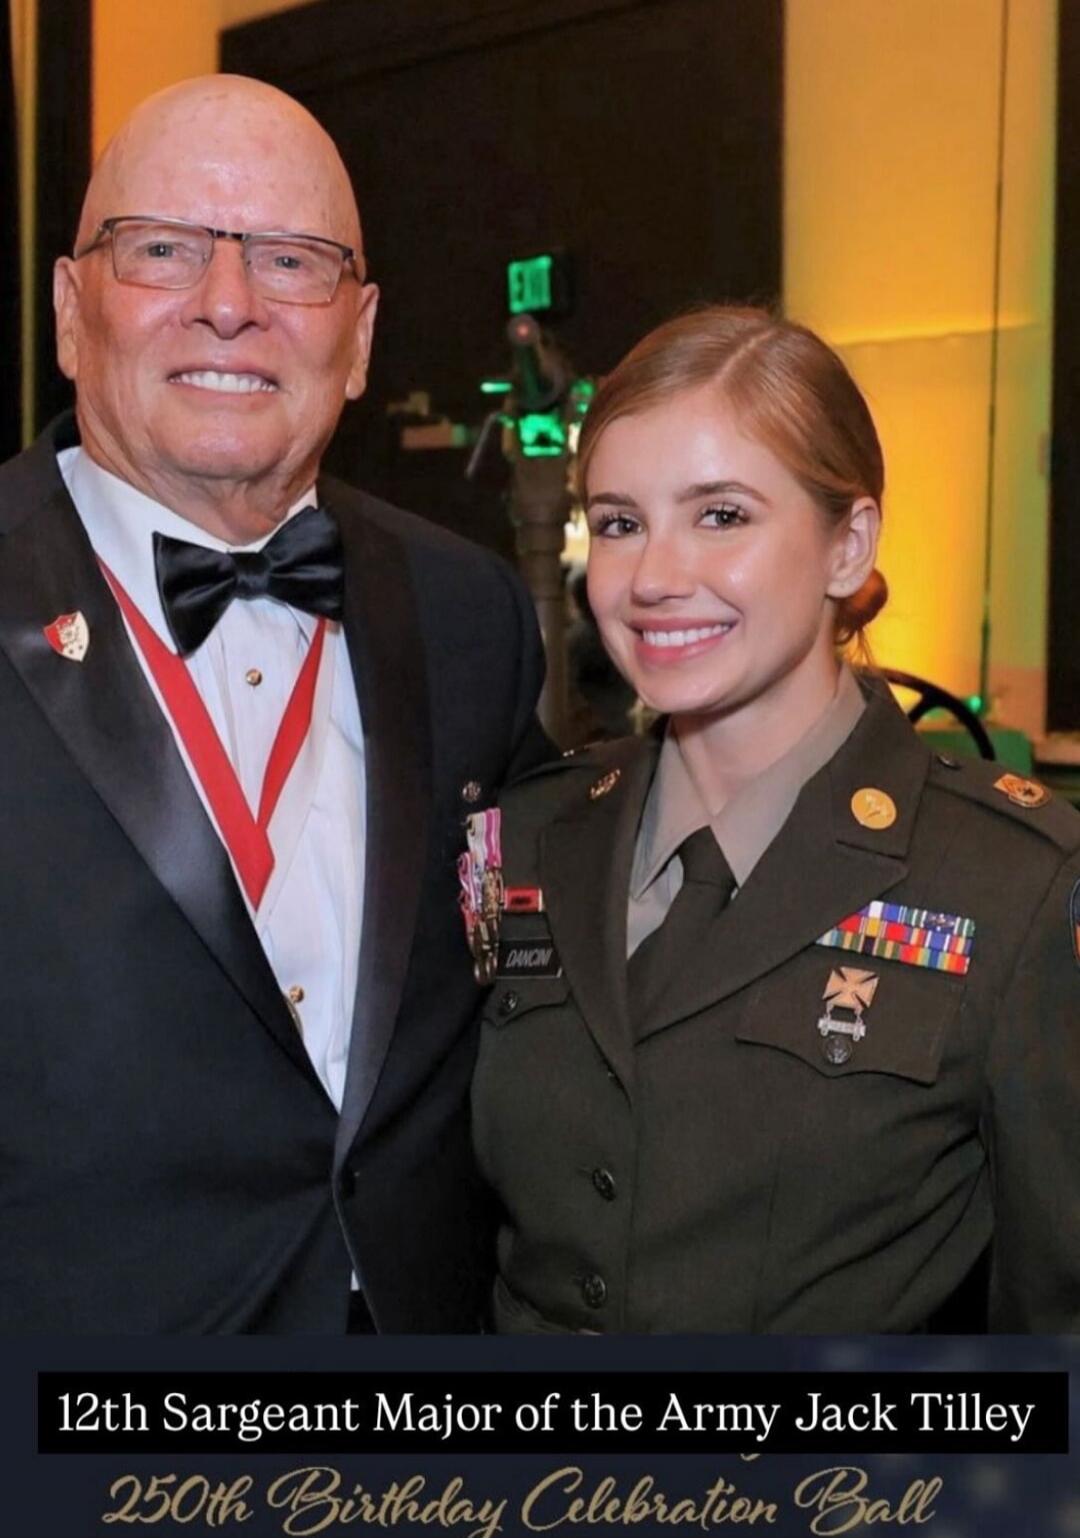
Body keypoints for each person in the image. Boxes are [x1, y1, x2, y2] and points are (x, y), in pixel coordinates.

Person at [0, 74, 549, 1333]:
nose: (231, 304)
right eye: (164, 250)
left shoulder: (470, 611)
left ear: (358, 339)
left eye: (293, 262)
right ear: (71, 311)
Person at [471, 306, 1080, 1333]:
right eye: (620, 521)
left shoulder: (1015, 884)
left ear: (849, 544)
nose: (655, 576)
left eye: (721, 515)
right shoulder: (525, 833)